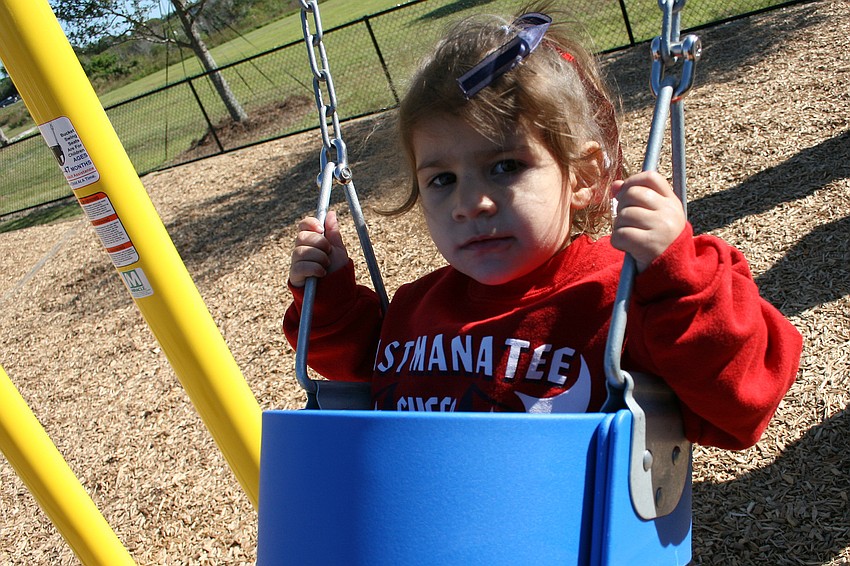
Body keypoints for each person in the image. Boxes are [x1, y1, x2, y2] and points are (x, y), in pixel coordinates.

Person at [283, 3, 802, 449]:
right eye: (442, 179)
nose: (469, 204)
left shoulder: (622, 297)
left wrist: (681, 278)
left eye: (505, 166)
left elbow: (744, 404)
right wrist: (328, 301)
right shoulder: (416, 308)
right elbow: (364, 368)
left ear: (584, 176)